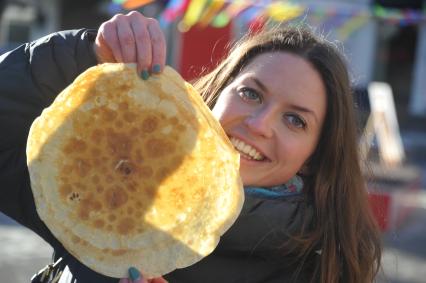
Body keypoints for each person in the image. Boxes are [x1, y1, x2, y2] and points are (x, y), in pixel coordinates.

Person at [0, 10, 382, 283]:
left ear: (314, 158)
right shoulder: (111, 184)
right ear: (214, 95)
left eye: (295, 120)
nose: (258, 124)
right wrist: (84, 54)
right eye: (250, 93)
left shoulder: (318, 268)